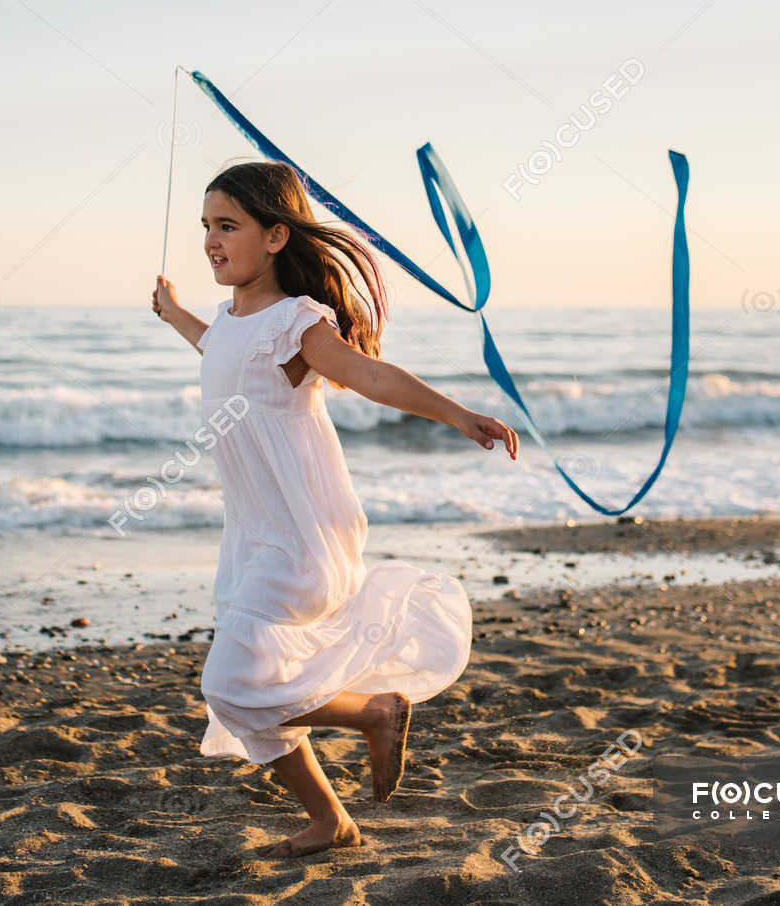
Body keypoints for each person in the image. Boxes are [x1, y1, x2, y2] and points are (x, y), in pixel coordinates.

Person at [151, 159, 519, 859]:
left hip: (303, 533)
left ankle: (377, 711)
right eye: (205, 226)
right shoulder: (234, 320)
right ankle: (331, 822)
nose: (210, 240)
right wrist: (176, 316)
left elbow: (370, 375)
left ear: (277, 236)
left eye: (227, 225)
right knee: (256, 681)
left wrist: (459, 415)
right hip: (254, 536)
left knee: (232, 683)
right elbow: (222, 348)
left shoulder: (299, 322)